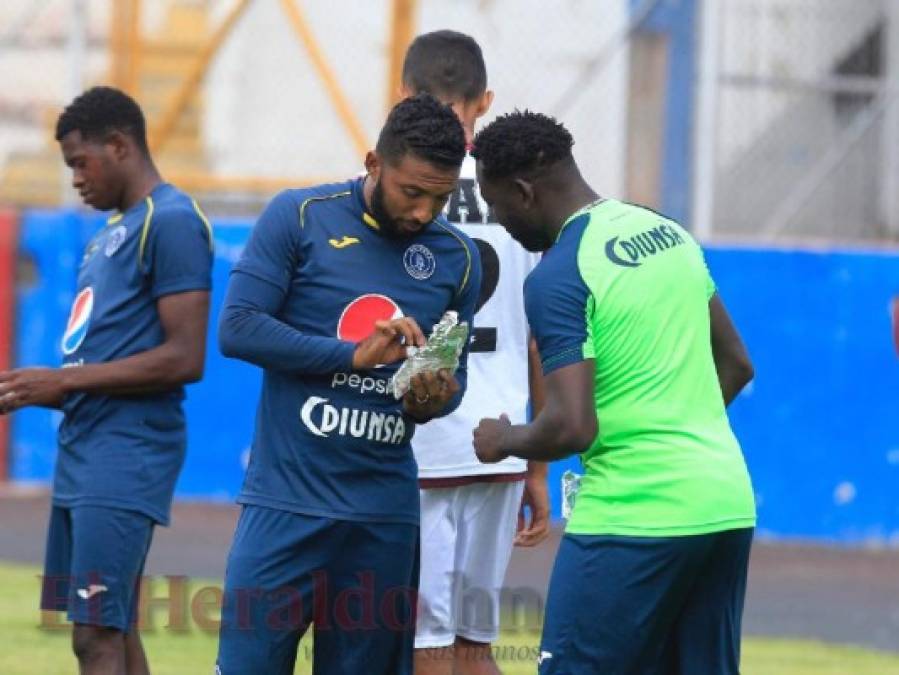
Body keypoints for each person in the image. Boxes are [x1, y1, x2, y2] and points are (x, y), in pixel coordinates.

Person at [471, 110, 757, 674]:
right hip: (724, 504)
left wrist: (505, 440)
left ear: (524, 192)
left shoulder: (557, 277)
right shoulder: (666, 231)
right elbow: (737, 364)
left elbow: (572, 426)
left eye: (496, 202)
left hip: (631, 518)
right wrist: (673, 428)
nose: (498, 219)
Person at [214, 93, 481, 675]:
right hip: (286, 505)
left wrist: (433, 395)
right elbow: (236, 328)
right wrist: (351, 355)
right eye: (413, 192)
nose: (423, 212)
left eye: (440, 197)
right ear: (374, 163)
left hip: (382, 518)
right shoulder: (299, 216)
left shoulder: (458, 257)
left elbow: (450, 380)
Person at [0, 86, 214, 674]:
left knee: (96, 636)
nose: (74, 178)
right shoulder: (107, 235)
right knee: (105, 629)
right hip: (86, 449)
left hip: (127, 451)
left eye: (80, 162)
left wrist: (64, 385)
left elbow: (185, 356)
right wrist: (39, 386)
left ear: (119, 145)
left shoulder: (171, 221)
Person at [399, 30, 549, 675]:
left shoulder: (398, 183)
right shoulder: (525, 193)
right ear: (484, 102)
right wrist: (538, 463)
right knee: (474, 646)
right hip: (504, 431)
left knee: (423, 641)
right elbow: (546, 331)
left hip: (421, 439)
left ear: (404, 95)